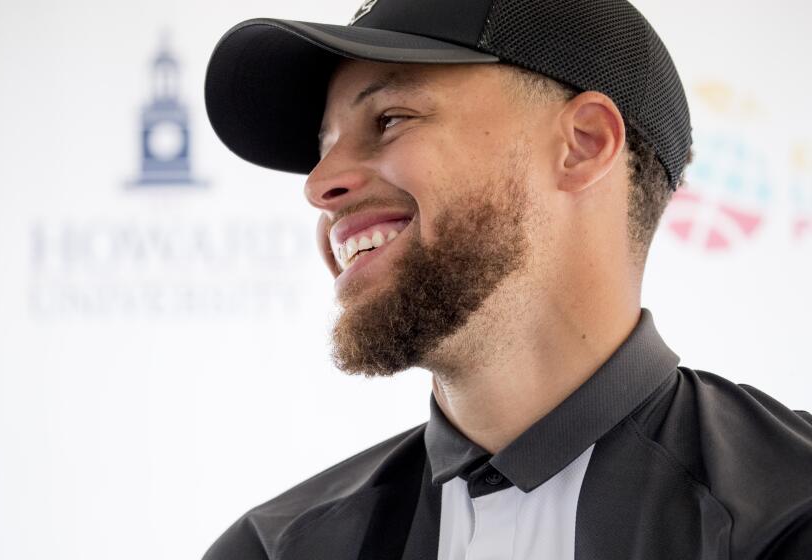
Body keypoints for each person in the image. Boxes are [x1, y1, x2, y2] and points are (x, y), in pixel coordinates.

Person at [202, 0, 812, 558]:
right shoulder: (273, 549)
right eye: (322, 147)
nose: (317, 185)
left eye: (389, 119)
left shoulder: (791, 509)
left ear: (583, 144)